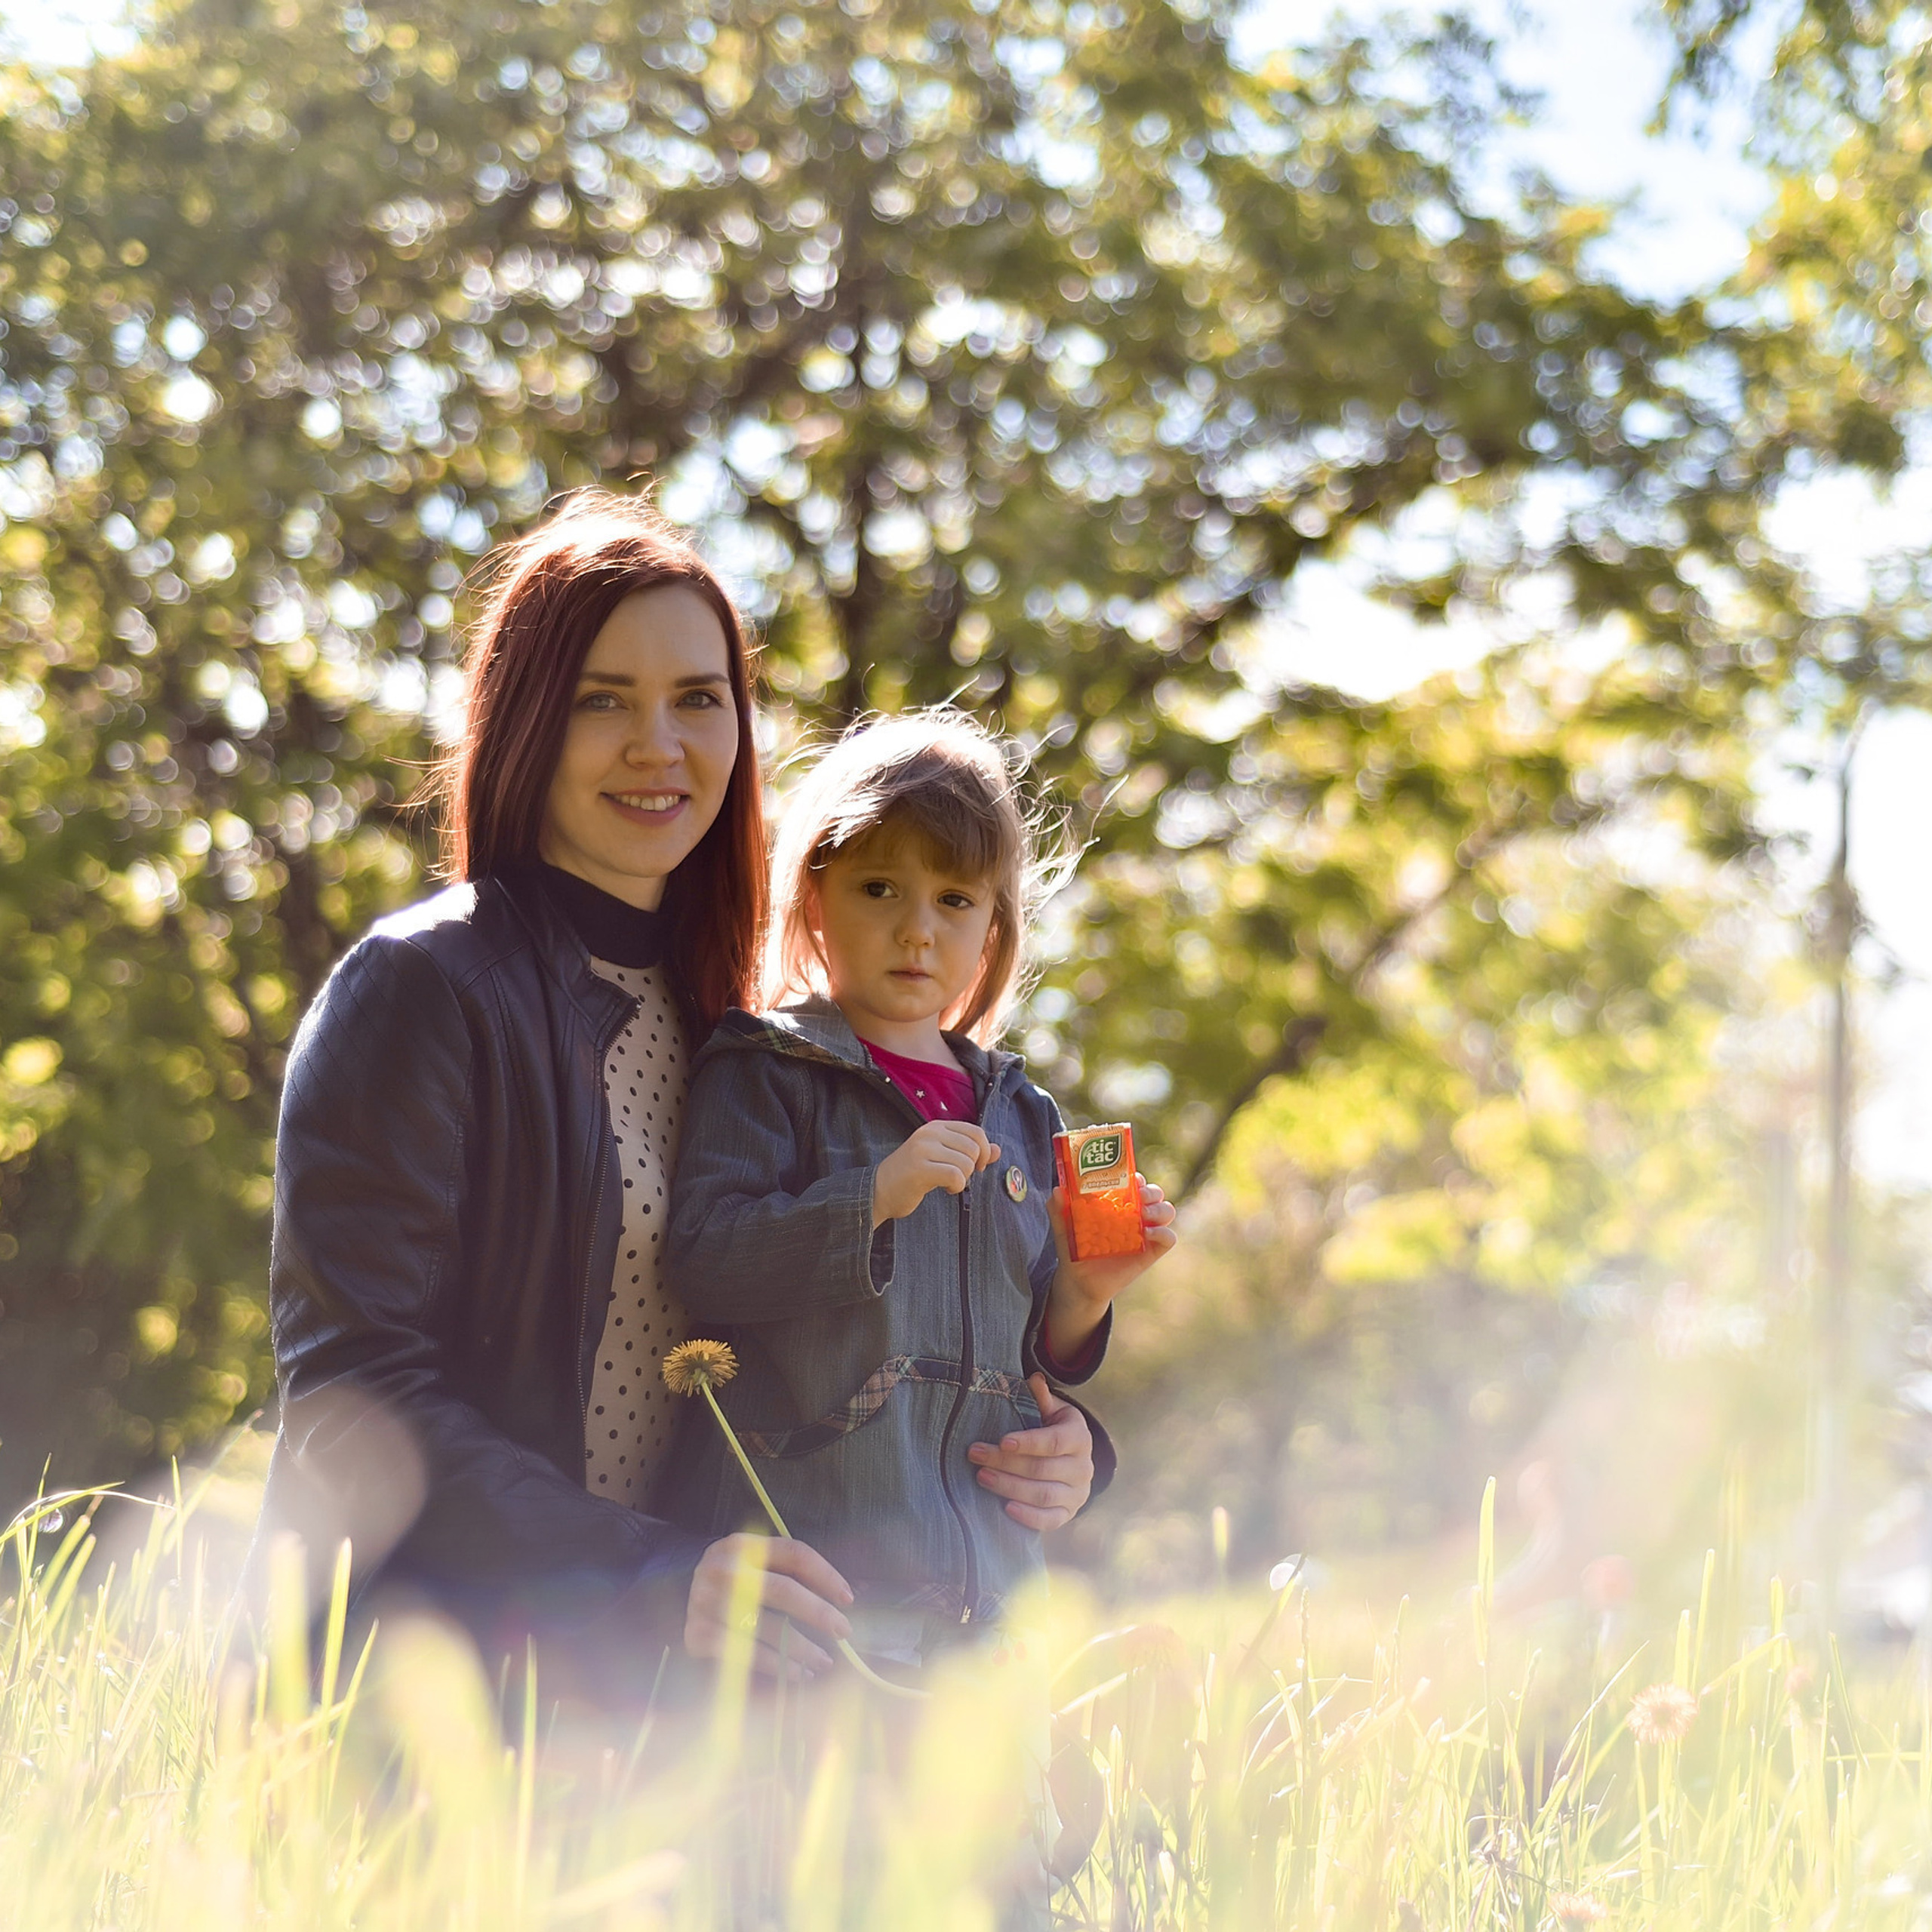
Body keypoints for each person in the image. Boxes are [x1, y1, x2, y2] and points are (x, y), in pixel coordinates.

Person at [252, 494, 1103, 1690]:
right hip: (456, 1682)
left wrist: (1061, 1447)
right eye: (604, 700)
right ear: (528, 720)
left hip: (694, 1708)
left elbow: (865, 1332)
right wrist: (648, 1573)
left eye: (698, 700)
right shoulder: (425, 988)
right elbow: (351, 1396)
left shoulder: (754, 1030)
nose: (659, 744)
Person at [662, 711, 1177, 1675]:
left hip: (990, 1600)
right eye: (879, 888)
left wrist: (1085, 1292)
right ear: (814, 896)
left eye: (953, 898)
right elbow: (705, 1257)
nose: (916, 928)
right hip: (822, 1586)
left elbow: (1028, 1351)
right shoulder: (768, 1067)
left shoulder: (1022, 1110)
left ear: (993, 928)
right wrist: (871, 1198)